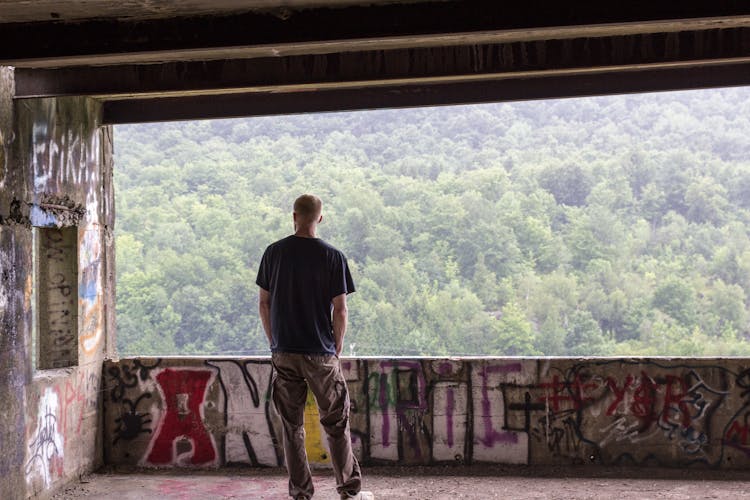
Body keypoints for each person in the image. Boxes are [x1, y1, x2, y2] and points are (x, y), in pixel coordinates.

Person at [256, 194, 373, 500]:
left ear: (294, 215)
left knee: (292, 427)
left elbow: (264, 303)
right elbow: (341, 309)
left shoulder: (273, 253)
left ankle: (301, 493)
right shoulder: (333, 256)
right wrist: (337, 346)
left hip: (284, 351)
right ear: (319, 218)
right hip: (321, 352)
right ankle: (349, 490)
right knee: (336, 423)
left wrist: (274, 341)